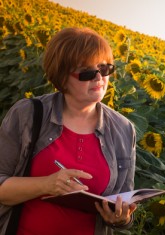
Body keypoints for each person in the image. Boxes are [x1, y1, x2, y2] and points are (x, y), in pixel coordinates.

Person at [0, 27, 137, 235]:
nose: (99, 78)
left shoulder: (123, 129)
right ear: (62, 77)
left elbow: (124, 202)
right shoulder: (28, 114)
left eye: (104, 68)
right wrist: (46, 185)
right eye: (87, 72)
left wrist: (120, 218)